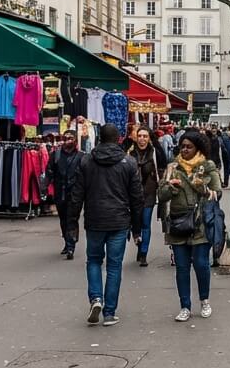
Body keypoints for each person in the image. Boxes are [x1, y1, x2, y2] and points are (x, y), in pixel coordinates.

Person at [72, 123, 143, 326]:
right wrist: (137, 228)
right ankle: (109, 312)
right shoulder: (128, 163)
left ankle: (96, 298)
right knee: (114, 266)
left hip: (94, 219)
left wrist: (72, 222)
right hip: (119, 220)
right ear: (118, 139)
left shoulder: (87, 161)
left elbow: (77, 194)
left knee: (94, 260)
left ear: (99, 138)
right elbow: (136, 198)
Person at [158, 131, 222, 322]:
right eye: (182, 146)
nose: (184, 149)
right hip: (178, 223)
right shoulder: (172, 167)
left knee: (201, 264)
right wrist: (171, 187)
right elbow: (161, 195)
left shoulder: (207, 166)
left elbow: (217, 193)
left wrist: (201, 186)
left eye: (188, 146)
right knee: (182, 267)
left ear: (198, 148)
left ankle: (204, 301)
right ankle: (185, 306)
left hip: (200, 222)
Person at [124, 125, 168, 266]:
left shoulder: (155, 153)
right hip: (133, 194)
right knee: (133, 222)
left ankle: (143, 253)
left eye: (145, 136)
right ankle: (138, 240)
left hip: (149, 193)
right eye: (140, 136)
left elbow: (162, 170)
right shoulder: (130, 153)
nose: (142, 139)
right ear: (136, 137)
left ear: (149, 138)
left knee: (145, 223)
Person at [47, 130, 84, 259]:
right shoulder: (55, 155)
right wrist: (46, 187)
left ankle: (71, 246)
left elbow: (86, 175)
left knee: (72, 219)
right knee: (63, 219)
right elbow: (49, 171)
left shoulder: (81, 156)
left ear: (75, 141)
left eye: (71, 138)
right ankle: (67, 241)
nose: (68, 140)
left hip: (75, 194)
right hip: (60, 192)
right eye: (65, 138)